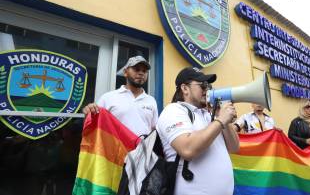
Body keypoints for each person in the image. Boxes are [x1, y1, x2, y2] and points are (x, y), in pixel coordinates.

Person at [156, 67, 239, 195]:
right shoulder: (173, 110)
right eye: (203, 85)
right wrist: (221, 120)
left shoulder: (209, 115)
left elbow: (234, 147)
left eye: (209, 86)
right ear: (185, 88)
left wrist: (224, 119)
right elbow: (188, 149)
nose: (207, 89)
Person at [82, 56, 158, 136]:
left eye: (144, 71)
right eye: (136, 69)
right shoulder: (108, 98)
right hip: (115, 147)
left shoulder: (151, 100)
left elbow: (154, 129)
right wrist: (88, 113)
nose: (141, 73)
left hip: (143, 148)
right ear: (125, 72)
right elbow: (93, 125)